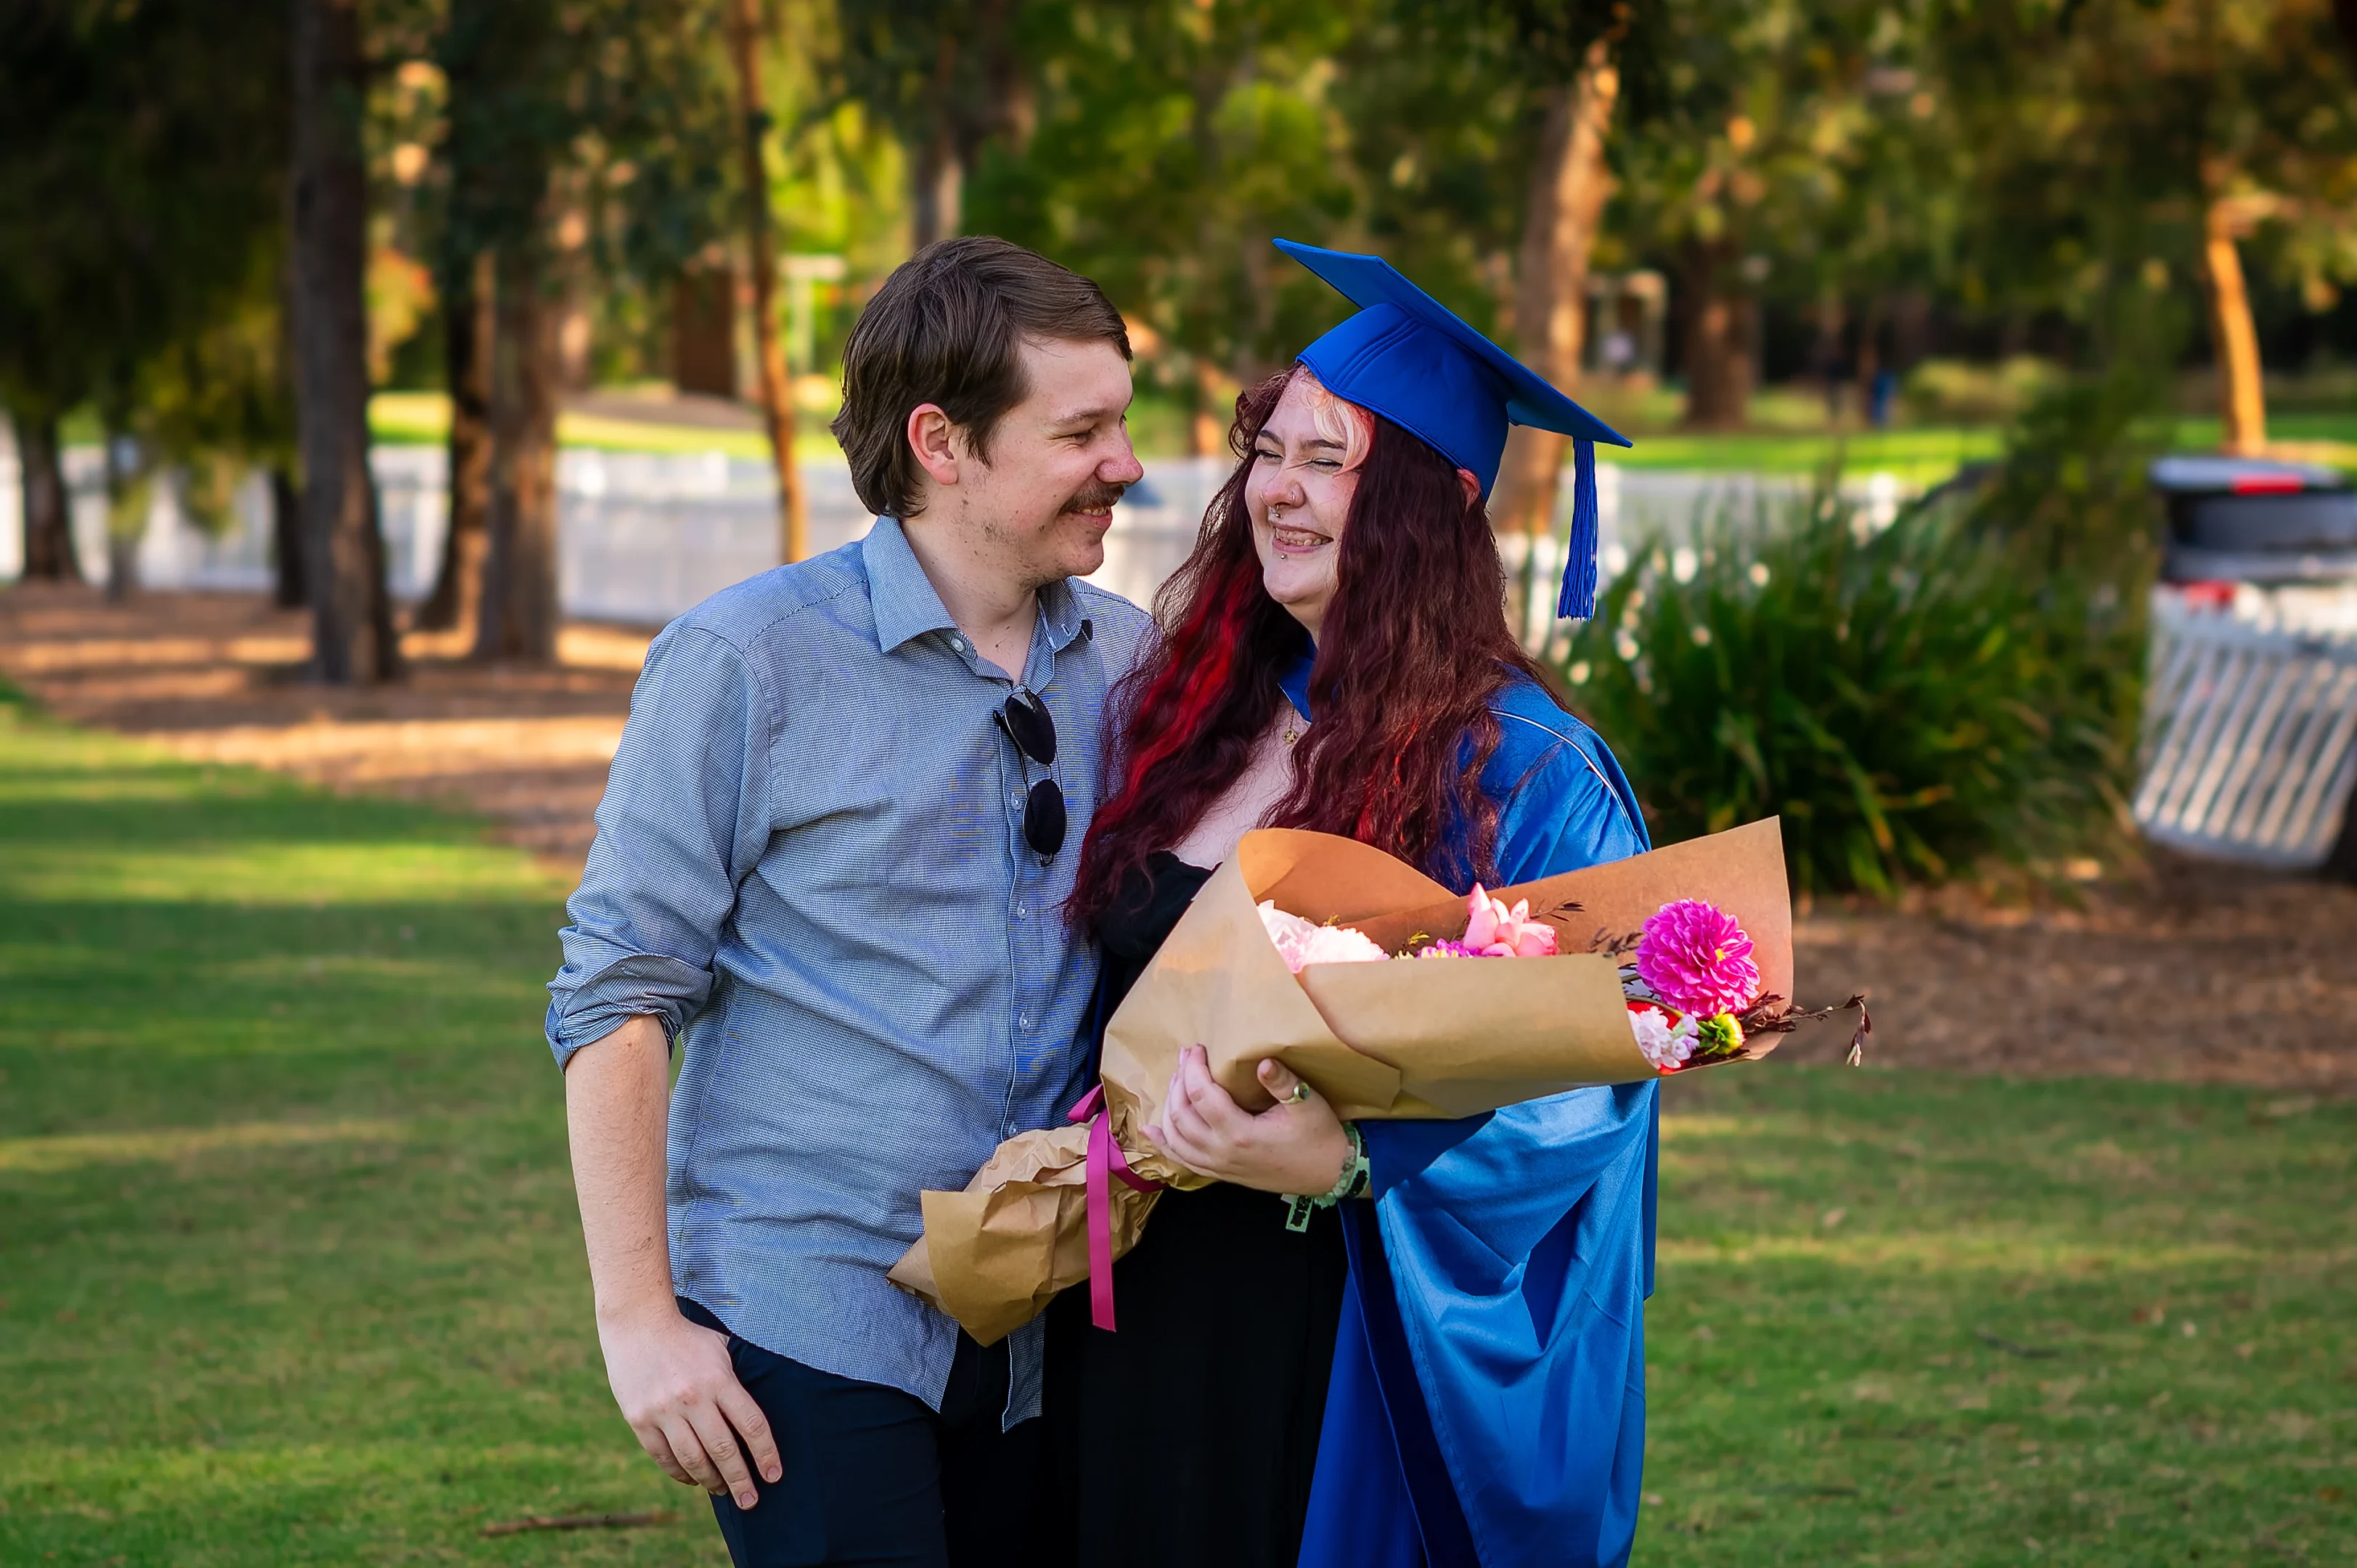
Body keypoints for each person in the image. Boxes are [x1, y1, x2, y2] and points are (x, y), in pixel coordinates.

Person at [1042, 240, 1655, 1568]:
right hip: (1138, 1301)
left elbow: (1588, 1088)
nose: (1278, 491)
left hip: (1337, 1348)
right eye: (1270, 449)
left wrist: (1349, 1165)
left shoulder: (1526, 773)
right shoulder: (1191, 714)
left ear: (1431, 509)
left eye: (1329, 461)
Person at [545, 236, 1151, 1568]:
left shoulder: (1130, 660)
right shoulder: (743, 659)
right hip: (806, 1310)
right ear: (942, 442)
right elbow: (617, 994)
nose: (1127, 464)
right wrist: (639, 1324)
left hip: (1044, 1313)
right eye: (1082, 430)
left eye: (1125, 421)